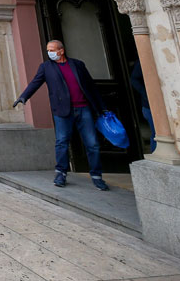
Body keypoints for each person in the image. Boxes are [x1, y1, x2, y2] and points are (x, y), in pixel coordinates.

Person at [13, 39, 110, 191]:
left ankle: (97, 176)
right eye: (48, 50)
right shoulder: (46, 67)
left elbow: (91, 86)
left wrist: (102, 108)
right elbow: (35, 82)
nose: (49, 53)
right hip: (62, 110)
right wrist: (23, 97)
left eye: (52, 50)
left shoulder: (78, 65)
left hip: (83, 108)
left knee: (92, 143)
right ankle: (61, 173)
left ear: (61, 51)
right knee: (62, 142)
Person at [130, 61, 155, 152]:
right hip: (149, 105)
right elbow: (134, 79)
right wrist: (147, 94)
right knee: (158, 135)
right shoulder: (143, 62)